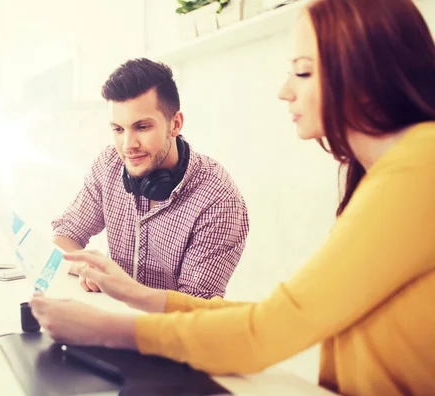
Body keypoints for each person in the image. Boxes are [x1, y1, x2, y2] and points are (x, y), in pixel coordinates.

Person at [29, 0, 435, 394]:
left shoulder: (420, 172)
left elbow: (270, 330)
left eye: (304, 72)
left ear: (368, 77)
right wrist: (132, 292)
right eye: (117, 129)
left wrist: (102, 330)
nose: (283, 91)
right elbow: (273, 315)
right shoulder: (399, 169)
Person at [51, 58, 249, 299]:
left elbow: (194, 311)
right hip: (111, 323)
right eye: (118, 129)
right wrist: (85, 266)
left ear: (175, 124)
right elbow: (64, 234)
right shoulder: (109, 164)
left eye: (142, 127)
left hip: (167, 333)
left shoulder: (218, 199)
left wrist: (122, 287)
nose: (128, 146)